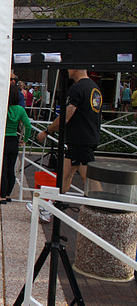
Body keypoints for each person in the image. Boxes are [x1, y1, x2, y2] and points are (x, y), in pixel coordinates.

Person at [35, 69, 102, 220]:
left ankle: (103, 212)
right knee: (65, 176)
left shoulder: (77, 88)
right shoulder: (94, 88)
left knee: (88, 178)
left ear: (76, 69)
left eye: (69, 68)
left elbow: (66, 115)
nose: (67, 71)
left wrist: (47, 131)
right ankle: (48, 206)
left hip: (80, 140)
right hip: (84, 138)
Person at [0, 84, 32, 204]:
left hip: (3, 140)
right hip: (14, 140)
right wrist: (25, 139)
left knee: (3, 169)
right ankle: (8, 194)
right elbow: (28, 126)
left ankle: (2, 196)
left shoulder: (3, 108)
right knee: (11, 169)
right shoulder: (20, 110)